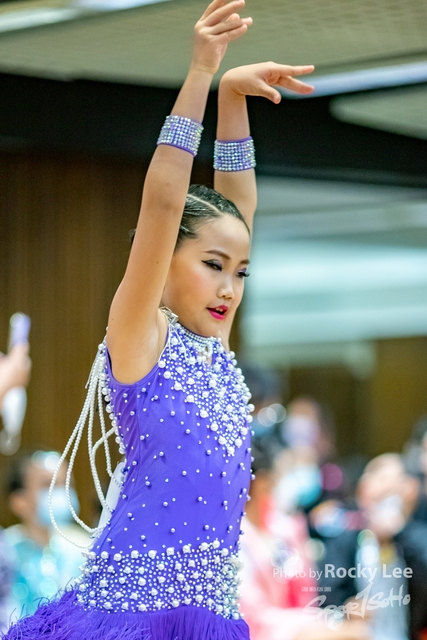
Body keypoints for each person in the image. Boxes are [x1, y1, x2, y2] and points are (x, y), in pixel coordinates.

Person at [2, 2, 315, 638]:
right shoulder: (140, 336)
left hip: (209, 613)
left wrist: (234, 99)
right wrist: (202, 72)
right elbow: (164, 202)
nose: (229, 287)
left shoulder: (215, 346)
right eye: (212, 265)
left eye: (241, 272)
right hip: (131, 611)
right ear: (163, 259)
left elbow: (237, 208)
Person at [3, 451, 88, 617]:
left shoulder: (83, 548)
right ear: (19, 501)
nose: (61, 493)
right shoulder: (5, 551)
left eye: (65, 484)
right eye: (48, 485)